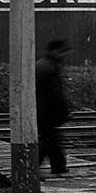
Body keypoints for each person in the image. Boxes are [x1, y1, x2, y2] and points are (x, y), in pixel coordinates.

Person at [35, 39, 71, 175]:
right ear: (56, 51)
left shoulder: (41, 64)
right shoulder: (51, 67)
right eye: (63, 52)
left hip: (40, 109)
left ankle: (58, 166)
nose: (65, 55)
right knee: (48, 140)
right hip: (47, 111)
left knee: (52, 139)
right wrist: (64, 111)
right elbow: (56, 93)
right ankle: (30, 166)